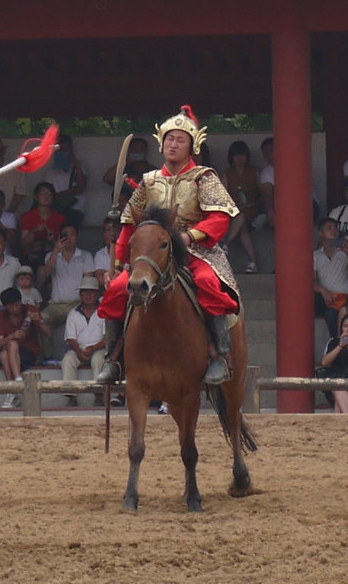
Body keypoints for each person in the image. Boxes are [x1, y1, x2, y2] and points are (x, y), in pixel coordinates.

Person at [93, 107, 244, 386]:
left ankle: (219, 356)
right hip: (152, 252)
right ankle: (113, 359)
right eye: (169, 139)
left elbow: (220, 217)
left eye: (180, 140)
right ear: (161, 143)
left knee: (209, 283)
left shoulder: (203, 177)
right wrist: (117, 267)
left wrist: (190, 237)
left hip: (196, 250)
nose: (173, 144)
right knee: (116, 290)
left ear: (192, 146)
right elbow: (129, 225)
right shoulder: (149, 181)